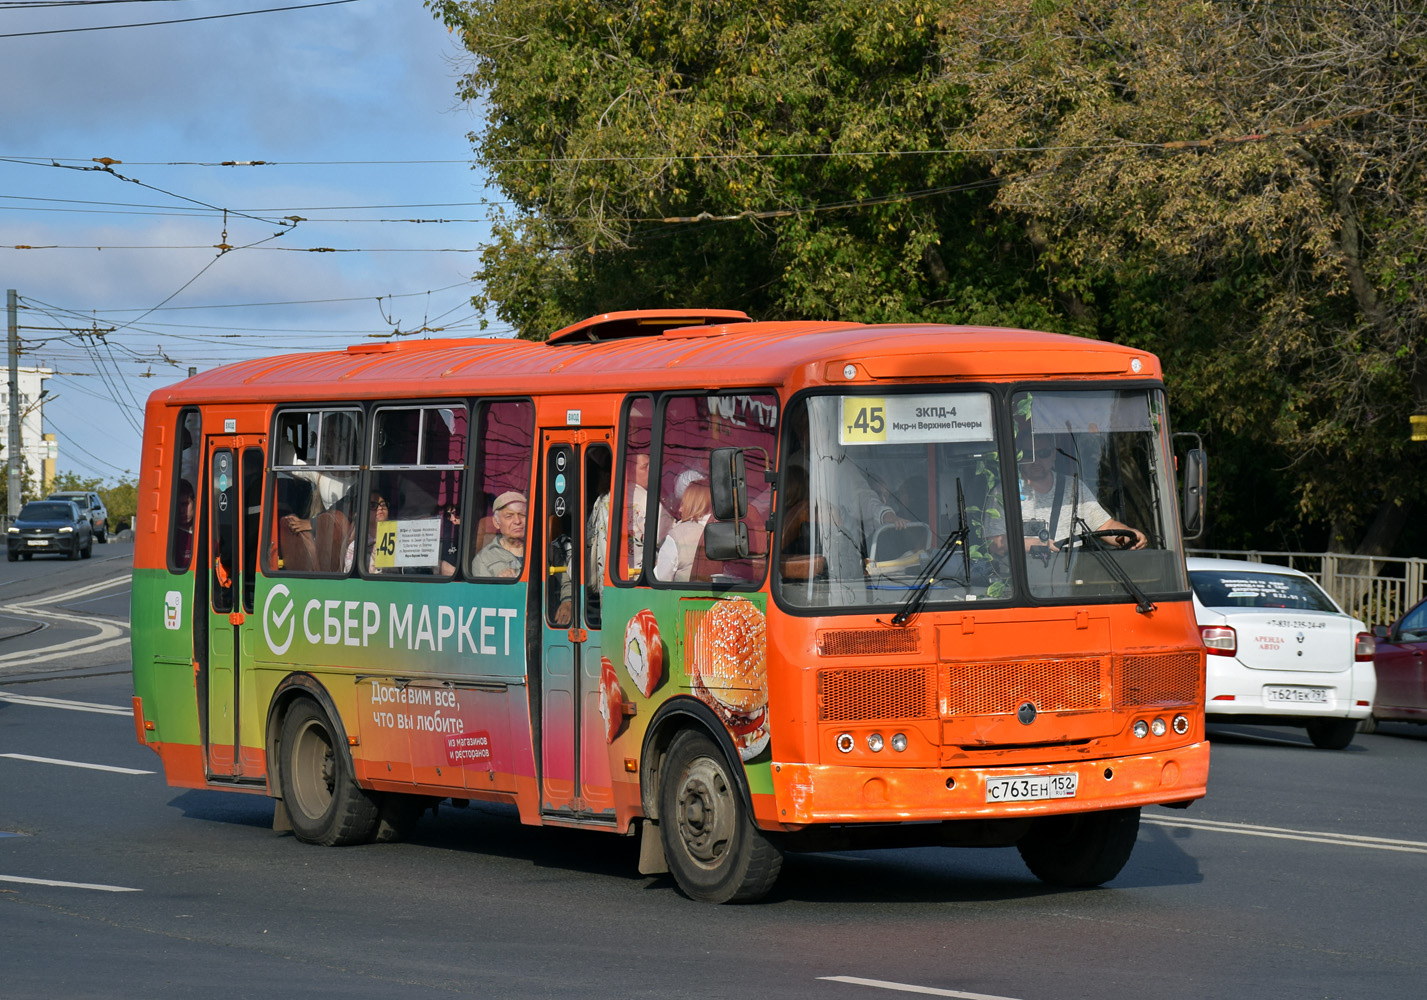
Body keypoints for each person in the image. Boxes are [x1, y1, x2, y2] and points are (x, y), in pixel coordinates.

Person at [987, 434, 1146, 556]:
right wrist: (1033, 544)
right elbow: (995, 544)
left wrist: (1131, 536)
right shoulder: (1004, 492)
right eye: (1029, 455)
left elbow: (1105, 526)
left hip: (1070, 579)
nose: (1036, 461)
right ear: (1019, 457)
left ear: (1054, 455)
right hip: (1024, 583)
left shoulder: (1073, 487)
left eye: (1043, 453)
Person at [655, 476, 713, 582]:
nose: (680, 510)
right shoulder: (731, 530)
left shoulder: (678, 536)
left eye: (683, 503)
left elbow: (660, 579)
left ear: (694, 505)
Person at [470, 491, 527, 578]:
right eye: (509, 516)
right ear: (496, 522)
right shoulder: (483, 559)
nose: (517, 521)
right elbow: (483, 591)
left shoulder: (545, 550)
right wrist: (500, 584)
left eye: (522, 515)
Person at [438, 502, 461, 576]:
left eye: (455, 514)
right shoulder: (440, 536)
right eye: (448, 515)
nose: (452, 519)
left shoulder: (469, 534)